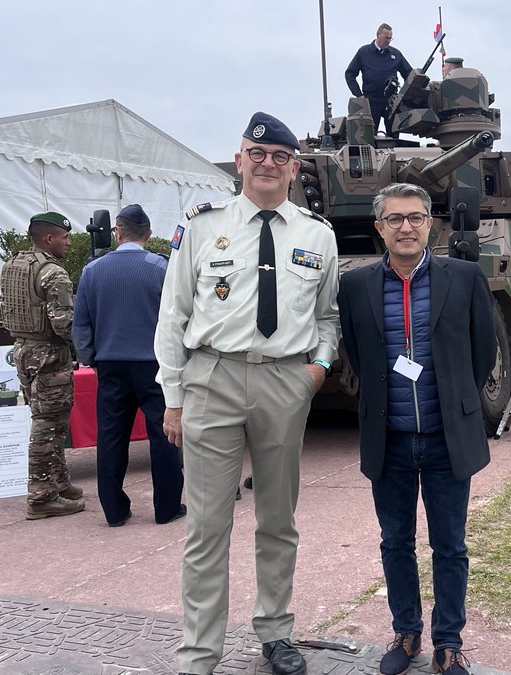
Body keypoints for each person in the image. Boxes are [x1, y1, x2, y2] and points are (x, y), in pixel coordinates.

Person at [156, 112, 340, 675]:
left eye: (280, 157)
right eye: (256, 155)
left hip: (286, 381)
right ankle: (199, 652)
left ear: (294, 168)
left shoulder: (318, 233)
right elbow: (173, 314)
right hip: (212, 379)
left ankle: (275, 631)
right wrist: (173, 396)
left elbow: (328, 316)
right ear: (239, 162)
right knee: (207, 526)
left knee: (278, 520)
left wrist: (318, 370)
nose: (267, 164)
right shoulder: (202, 226)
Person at [337, 183, 496, 675]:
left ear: (431, 224)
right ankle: (406, 634)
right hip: (391, 442)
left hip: (449, 440)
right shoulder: (356, 286)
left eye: (416, 217)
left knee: (450, 545)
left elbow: (482, 351)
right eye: (395, 219)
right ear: (379, 227)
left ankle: (448, 642)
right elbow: (358, 357)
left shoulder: (465, 277)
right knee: (395, 542)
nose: (406, 227)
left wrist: (456, 404)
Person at [73, 204, 185, 528]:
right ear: (149, 235)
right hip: (155, 365)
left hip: (110, 364)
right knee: (163, 436)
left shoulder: (91, 271)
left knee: (110, 437)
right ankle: (166, 508)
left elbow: (80, 325)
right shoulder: (162, 268)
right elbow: (178, 320)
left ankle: (115, 510)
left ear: (117, 233)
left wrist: (91, 358)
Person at [0, 212, 84, 520]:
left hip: (24, 350)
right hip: (49, 355)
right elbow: (65, 325)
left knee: (50, 421)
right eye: (65, 238)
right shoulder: (53, 273)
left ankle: (59, 483)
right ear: (49, 239)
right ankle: (42, 496)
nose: (69, 243)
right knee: (48, 426)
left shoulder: (16, 265)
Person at [345, 23, 413, 136]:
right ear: (378, 35)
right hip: (371, 100)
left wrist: (407, 94)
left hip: (391, 101)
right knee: (369, 135)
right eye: (386, 38)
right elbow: (350, 74)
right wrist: (359, 95)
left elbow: (409, 74)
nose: (388, 41)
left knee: (394, 134)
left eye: (390, 38)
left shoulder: (395, 54)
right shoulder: (364, 52)